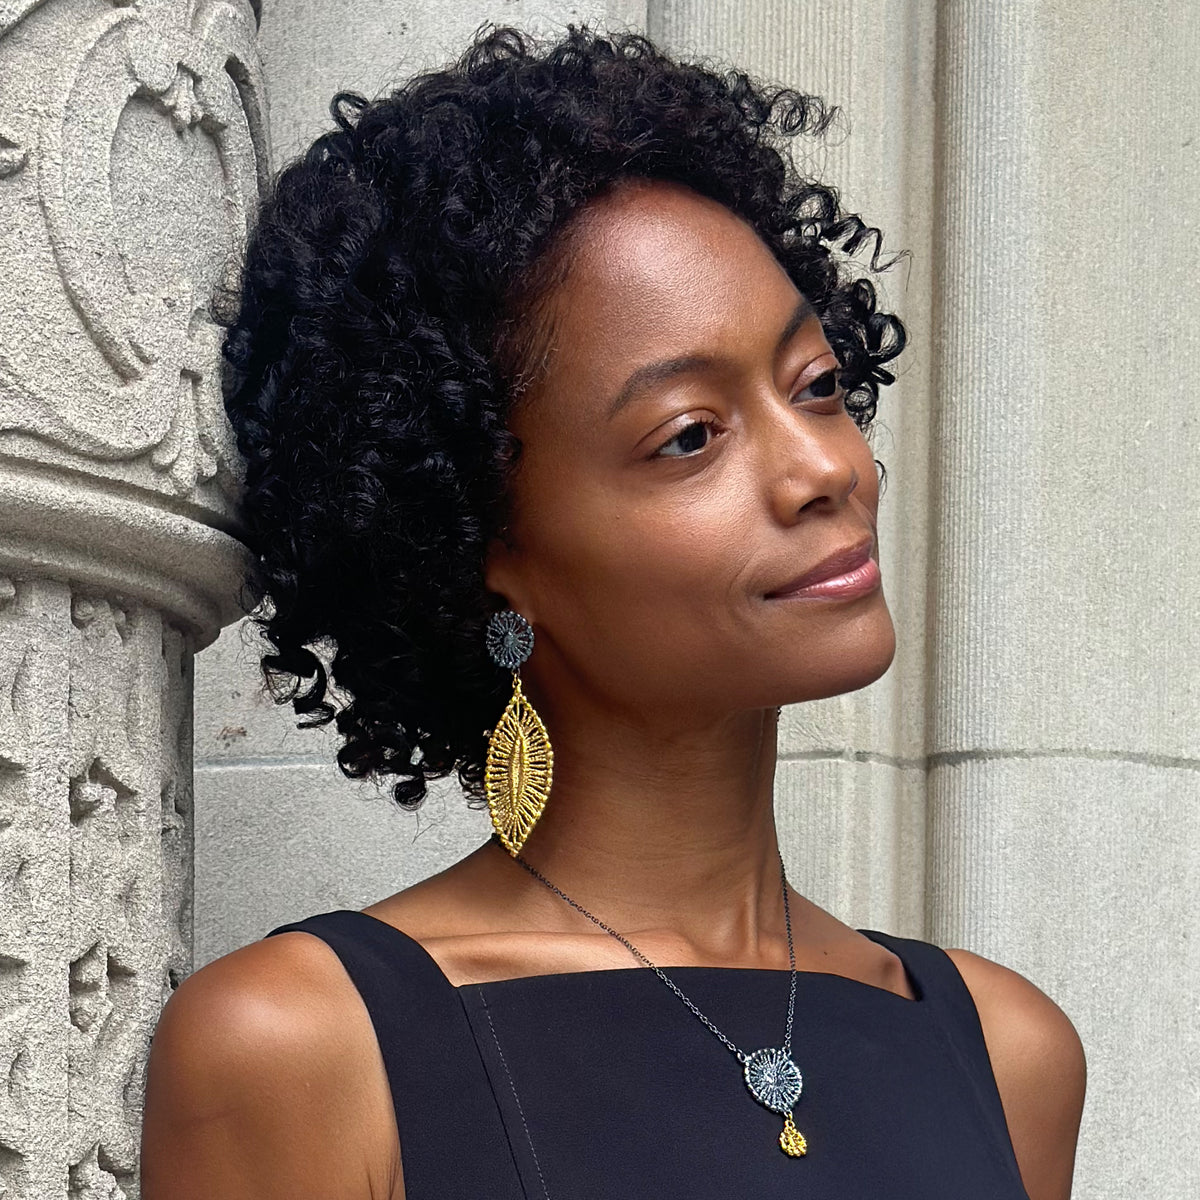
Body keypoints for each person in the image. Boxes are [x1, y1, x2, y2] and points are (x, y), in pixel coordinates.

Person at [139, 23, 1086, 1200]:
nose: (824, 470)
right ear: (482, 543)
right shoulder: (306, 1046)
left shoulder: (1006, 1052)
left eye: (819, 386)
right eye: (690, 435)